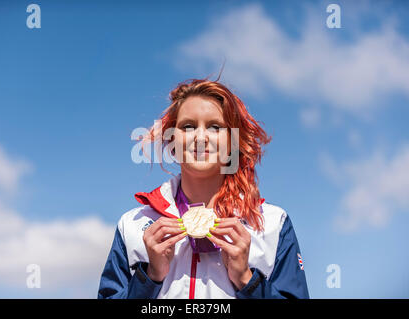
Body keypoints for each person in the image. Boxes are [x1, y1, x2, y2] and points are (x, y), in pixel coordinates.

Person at [98, 77, 309, 299]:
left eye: (215, 127)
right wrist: (149, 277)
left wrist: (247, 280)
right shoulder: (133, 225)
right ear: (171, 141)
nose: (200, 137)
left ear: (233, 143)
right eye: (188, 126)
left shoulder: (272, 224)